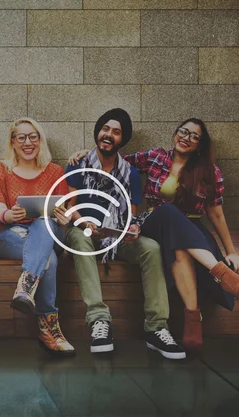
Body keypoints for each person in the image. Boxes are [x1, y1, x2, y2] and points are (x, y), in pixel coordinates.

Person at [64, 108, 185, 360]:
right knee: (78, 237)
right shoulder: (78, 163)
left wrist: (131, 230)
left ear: (122, 140)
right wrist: (85, 223)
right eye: (105, 129)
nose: (109, 135)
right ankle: (99, 321)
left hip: (114, 237)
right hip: (83, 230)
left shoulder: (129, 172)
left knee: (150, 247)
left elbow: (131, 214)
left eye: (116, 132)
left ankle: (157, 327)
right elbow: (69, 206)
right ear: (98, 132)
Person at [0, 117, 74, 356]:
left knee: (44, 221)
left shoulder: (55, 171)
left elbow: (63, 211)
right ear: (13, 142)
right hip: (11, 236)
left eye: (33, 136)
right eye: (21, 137)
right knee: (49, 259)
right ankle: (50, 330)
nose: (28, 142)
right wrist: (10, 215)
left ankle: (25, 287)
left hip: (49, 231)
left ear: (40, 140)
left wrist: (63, 217)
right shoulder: (2, 170)